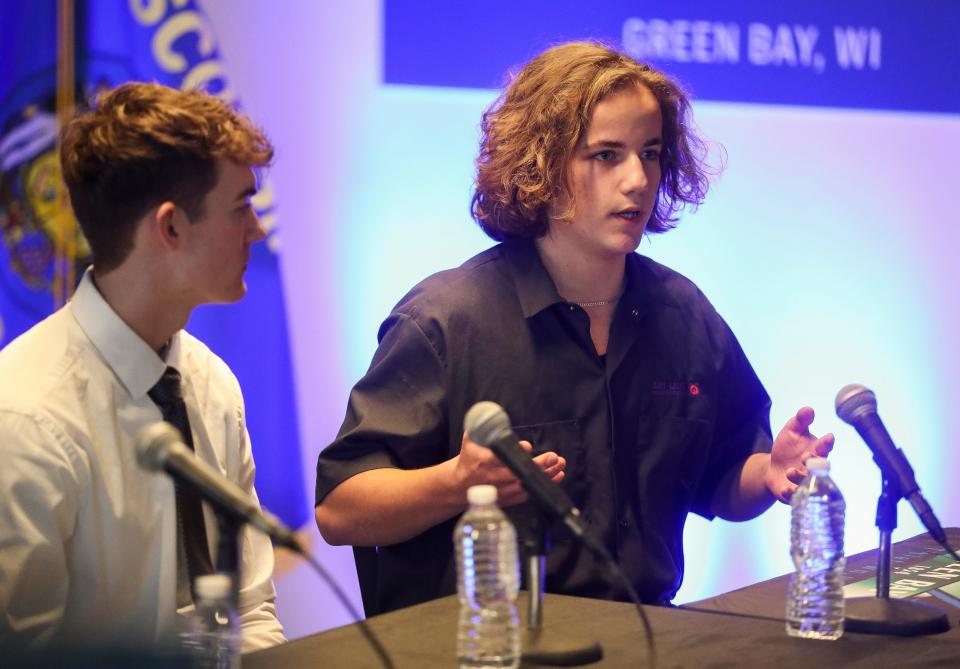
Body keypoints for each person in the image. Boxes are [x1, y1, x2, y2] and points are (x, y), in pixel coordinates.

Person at [315, 41, 834, 616]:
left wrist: (770, 475)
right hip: (485, 649)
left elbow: (724, 480)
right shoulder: (447, 318)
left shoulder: (683, 314)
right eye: (607, 155)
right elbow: (340, 509)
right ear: (540, 164)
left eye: (652, 152)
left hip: (648, 639)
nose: (638, 179)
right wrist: (457, 482)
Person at [0, 82, 285, 651]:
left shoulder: (211, 382)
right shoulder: (25, 417)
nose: (258, 229)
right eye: (240, 207)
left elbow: (251, 614)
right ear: (171, 228)